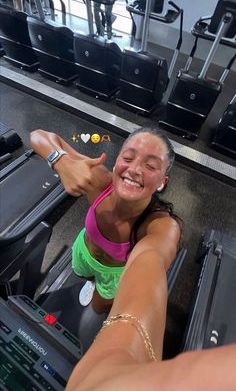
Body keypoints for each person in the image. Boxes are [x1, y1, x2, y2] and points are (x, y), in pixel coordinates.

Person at [30, 127, 181, 314]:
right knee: (81, 273)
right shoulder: (102, 181)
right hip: (84, 252)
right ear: (117, 161)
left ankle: (98, 285)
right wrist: (62, 162)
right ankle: (91, 281)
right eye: (127, 158)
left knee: (98, 308)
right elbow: (39, 136)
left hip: (112, 275)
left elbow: (160, 251)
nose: (134, 169)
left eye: (150, 166)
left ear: (162, 182)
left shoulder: (158, 224)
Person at [65, 231, 236, 391]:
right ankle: (97, 283)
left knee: (101, 302)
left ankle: (106, 289)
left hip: (118, 267)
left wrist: (158, 245)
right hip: (91, 246)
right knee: (85, 271)